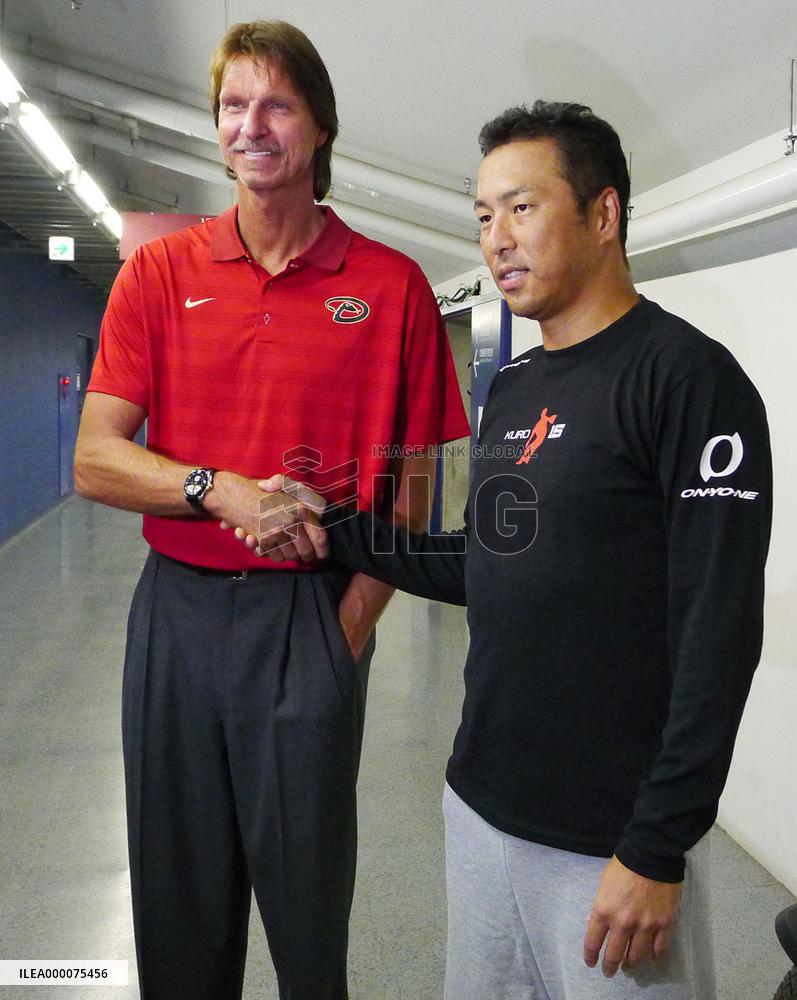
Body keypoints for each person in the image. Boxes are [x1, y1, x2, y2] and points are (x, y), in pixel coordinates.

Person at [233, 101, 773, 1000]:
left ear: (603, 215)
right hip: (480, 807)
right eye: (482, 216)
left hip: (607, 842)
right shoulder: (515, 385)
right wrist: (330, 525)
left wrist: (655, 844)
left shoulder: (688, 382)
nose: (495, 240)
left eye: (521, 208)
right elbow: (482, 558)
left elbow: (718, 634)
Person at [74, 19, 469, 1000]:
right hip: (177, 615)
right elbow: (95, 457)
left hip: (311, 616)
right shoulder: (158, 276)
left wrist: (354, 620)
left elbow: (417, 481)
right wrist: (213, 487)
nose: (251, 125)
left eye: (276, 103)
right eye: (232, 106)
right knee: (177, 900)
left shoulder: (391, 287)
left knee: (305, 910)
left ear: (320, 128)